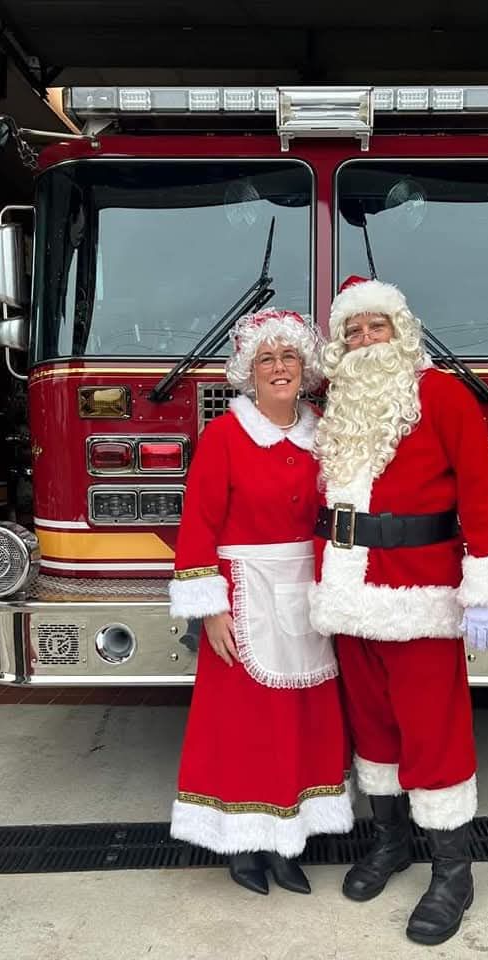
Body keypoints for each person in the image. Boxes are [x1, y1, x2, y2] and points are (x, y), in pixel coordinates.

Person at [310, 276, 488, 945]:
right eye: (354, 332)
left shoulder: (442, 394)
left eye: (377, 328)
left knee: (434, 735)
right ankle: (391, 842)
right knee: (373, 731)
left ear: (402, 333)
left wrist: (482, 586)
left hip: (419, 596)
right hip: (347, 597)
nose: (367, 341)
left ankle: (453, 873)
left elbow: (483, 492)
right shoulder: (337, 403)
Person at [169, 307, 353, 896]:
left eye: (289, 356)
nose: (279, 368)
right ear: (249, 371)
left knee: (303, 719)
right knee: (243, 724)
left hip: (308, 589)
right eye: (267, 359)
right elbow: (197, 521)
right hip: (244, 593)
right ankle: (244, 846)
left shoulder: (324, 429)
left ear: (306, 367)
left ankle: (286, 841)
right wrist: (211, 605)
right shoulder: (224, 435)